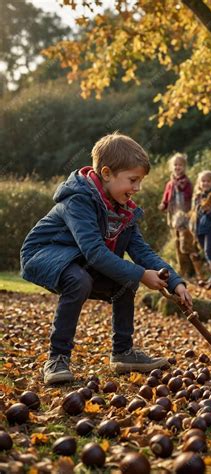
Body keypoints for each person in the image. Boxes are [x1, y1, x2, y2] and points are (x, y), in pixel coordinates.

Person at [20, 133, 192, 385]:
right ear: (107, 173)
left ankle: (123, 353)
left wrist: (175, 281)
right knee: (79, 280)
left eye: (140, 181)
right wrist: (141, 274)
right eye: (133, 180)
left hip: (79, 259)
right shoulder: (78, 200)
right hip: (46, 254)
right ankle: (57, 358)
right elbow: (95, 252)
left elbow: (142, 252)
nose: (137, 188)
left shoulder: (123, 211)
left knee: (125, 280)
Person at [159, 152, 194, 276]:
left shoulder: (187, 183)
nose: (177, 167)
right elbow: (166, 197)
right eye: (175, 165)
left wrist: (191, 212)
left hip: (184, 216)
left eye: (180, 165)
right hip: (173, 216)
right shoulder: (170, 184)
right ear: (171, 167)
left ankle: (191, 269)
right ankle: (182, 268)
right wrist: (163, 204)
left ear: (184, 167)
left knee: (186, 243)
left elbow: (192, 198)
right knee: (177, 242)